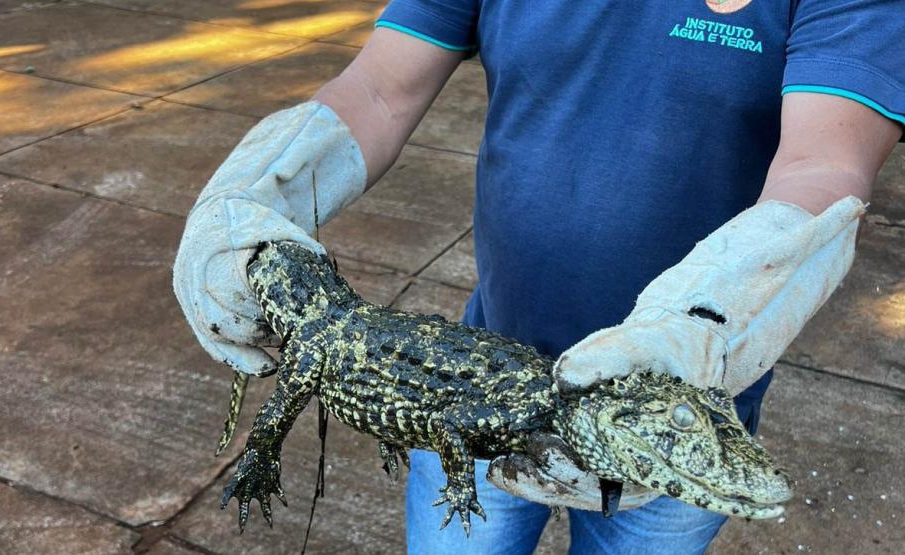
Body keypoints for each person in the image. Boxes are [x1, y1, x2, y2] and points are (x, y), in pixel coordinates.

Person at [173, 0, 904, 553]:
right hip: (472, 377)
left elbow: (824, 165)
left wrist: (702, 325)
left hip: (677, 409)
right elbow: (379, 90)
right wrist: (255, 189)